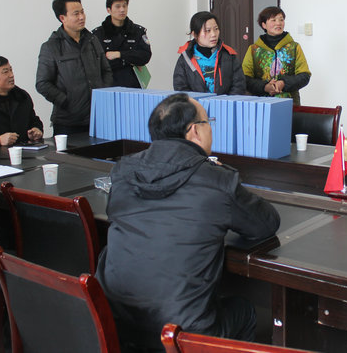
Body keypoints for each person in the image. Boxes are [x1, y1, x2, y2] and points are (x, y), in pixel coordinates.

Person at [96, 93, 280, 351]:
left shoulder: (123, 170)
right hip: (180, 334)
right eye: (208, 122)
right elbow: (266, 223)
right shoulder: (216, 180)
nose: (211, 128)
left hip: (116, 323)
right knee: (245, 311)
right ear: (195, 131)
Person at [36, 0, 112, 135]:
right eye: (76, 14)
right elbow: (42, 83)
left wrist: (103, 94)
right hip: (68, 122)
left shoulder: (92, 40)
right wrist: (65, 101)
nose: (82, 17)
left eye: (82, 12)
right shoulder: (51, 47)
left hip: (98, 117)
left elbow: (106, 71)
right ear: (62, 18)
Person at [242, 6, 311, 106]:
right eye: (273, 20)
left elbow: (304, 75)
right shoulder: (254, 49)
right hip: (261, 104)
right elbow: (245, 78)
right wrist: (265, 87)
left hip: (290, 104)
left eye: (281, 20)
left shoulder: (294, 47)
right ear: (264, 25)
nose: (278, 23)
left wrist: (283, 83)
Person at [173, 11, 246, 95]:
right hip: (195, 103)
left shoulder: (228, 55)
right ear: (195, 34)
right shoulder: (186, 58)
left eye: (216, 29)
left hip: (224, 102)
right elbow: (180, 88)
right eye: (208, 31)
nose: (213, 34)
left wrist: (225, 101)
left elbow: (239, 85)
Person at [92, 0, 152, 88]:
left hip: (132, 85)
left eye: (125, 6)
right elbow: (97, 62)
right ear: (109, 10)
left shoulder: (137, 31)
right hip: (107, 85)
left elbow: (145, 56)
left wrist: (119, 54)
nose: (122, 10)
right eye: (118, 6)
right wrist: (130, 59)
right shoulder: (98, 34)